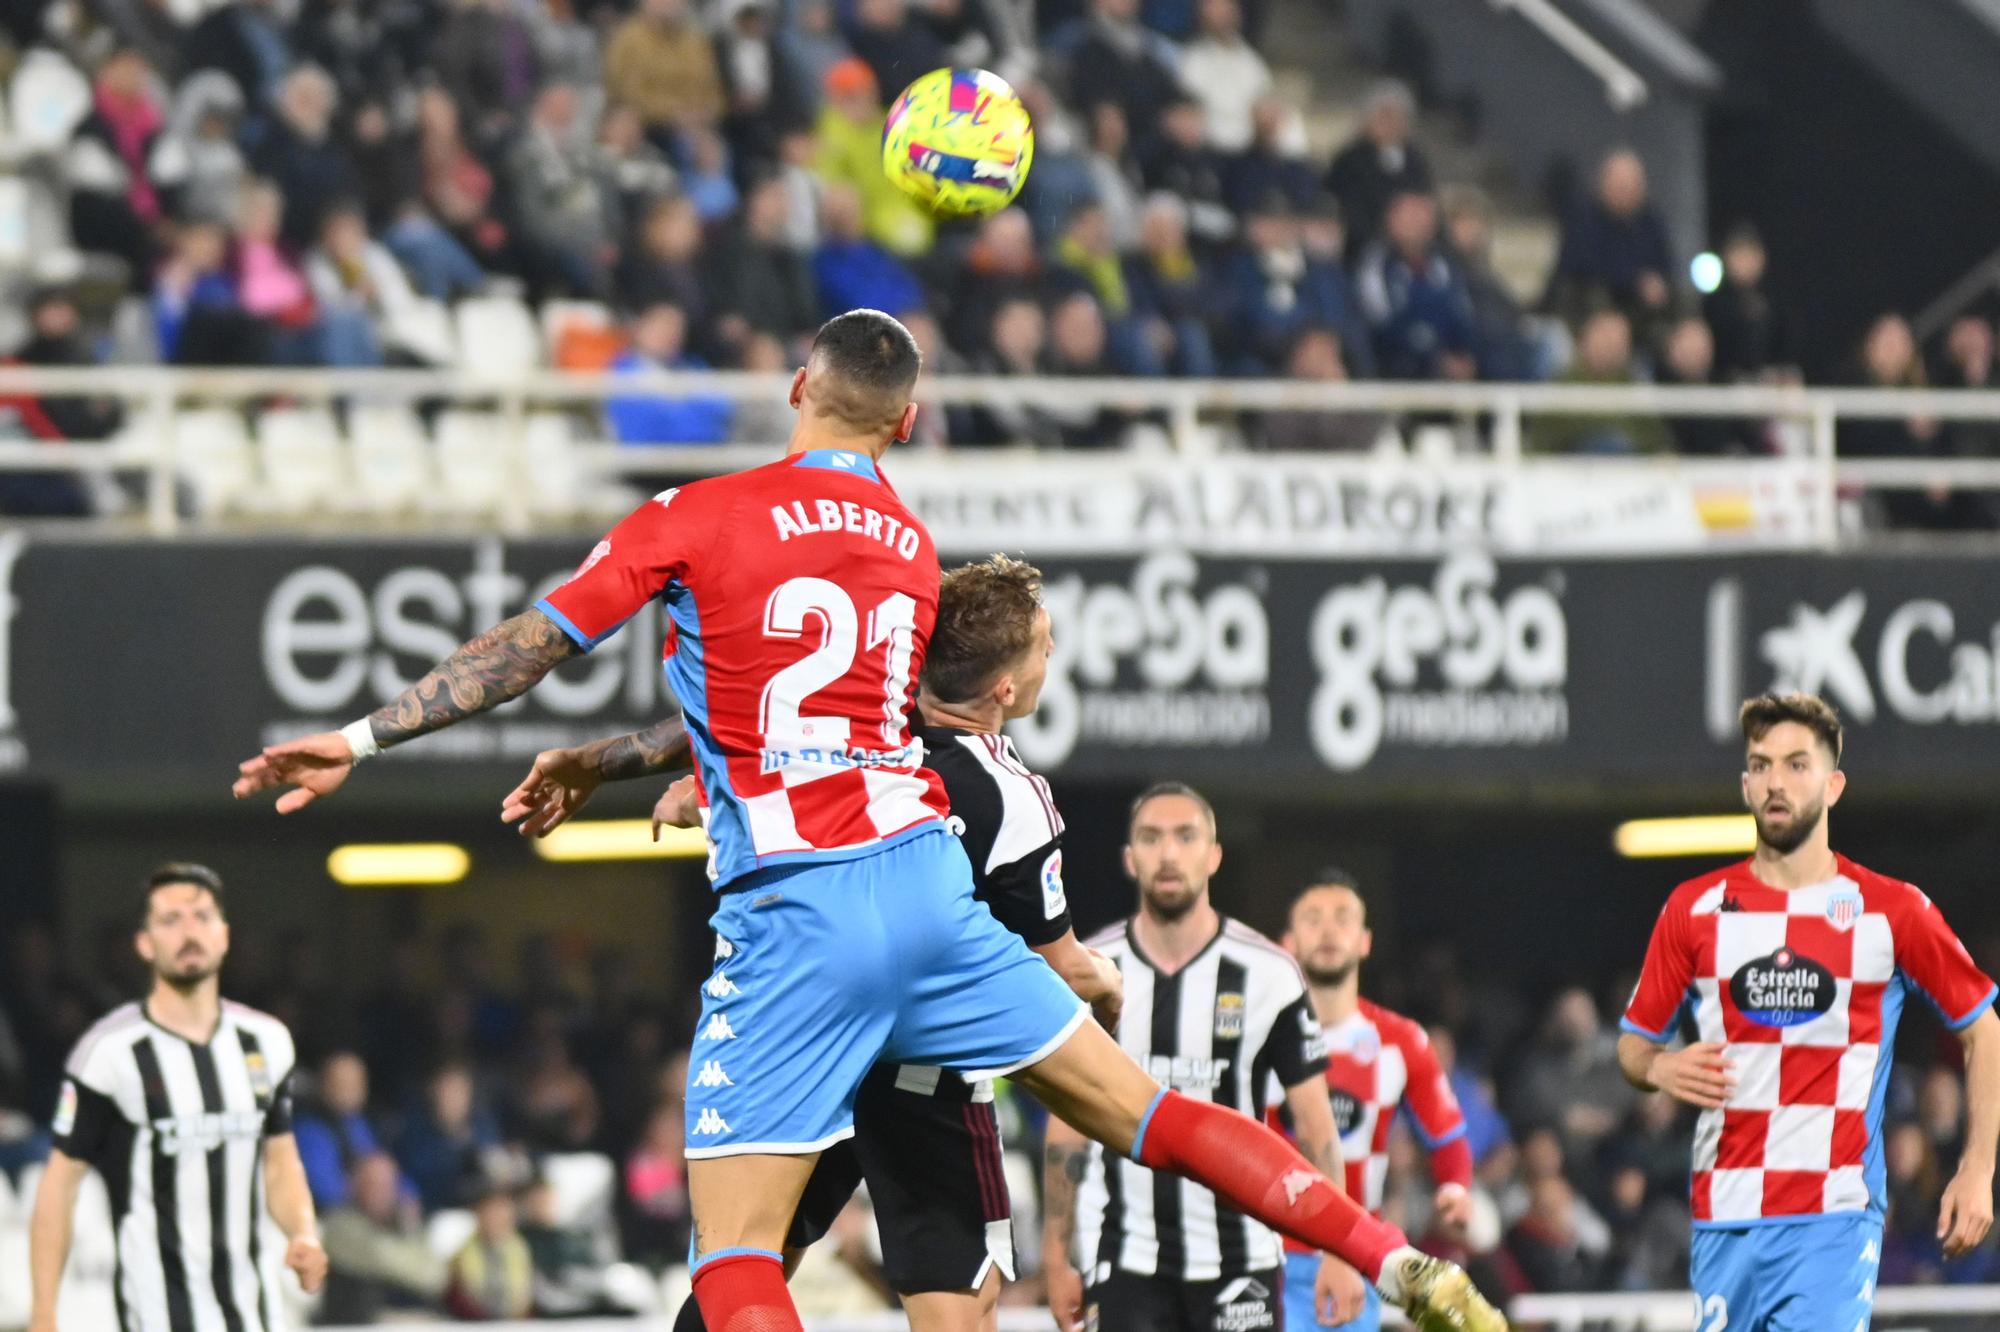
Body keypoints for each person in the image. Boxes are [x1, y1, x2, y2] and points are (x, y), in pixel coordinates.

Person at [233, 310, 1505, 1332]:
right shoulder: (904, 544)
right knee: (1150, 1115)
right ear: (906, 421)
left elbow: (528, 647)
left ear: (797, 385)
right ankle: (1395, 1263)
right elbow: (843, 713)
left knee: (733, 1262)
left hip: (796, 911)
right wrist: (618, 761)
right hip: (923, 885)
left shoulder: (694, 516)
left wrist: (357, 739)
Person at [507, 553, 1125, 1329]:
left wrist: (697, 788)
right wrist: (1106, 980)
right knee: (959, 1314)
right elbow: (1054, 968)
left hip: (815, 1045)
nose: (1051, 657)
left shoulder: (846, 741)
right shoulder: (1013, 798)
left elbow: (745, 742)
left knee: (740, 1272)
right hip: (925, 1078)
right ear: (1005, 688)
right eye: (1044, 645)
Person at [1617, 692, 2000, 1332]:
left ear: (1834, 784)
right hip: (1724, 1216)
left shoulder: (1892, 910)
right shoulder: (1693, 910)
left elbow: (1983, 1028)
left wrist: (1977, 1166)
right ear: (1744, 784)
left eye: (1797, 765)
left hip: (1835, 1216)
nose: (1776, 781)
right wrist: (1658, 1068)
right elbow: (1633, 1046)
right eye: (1761, 765)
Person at [1043, 786, 1367, 1332]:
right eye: (1151, 838)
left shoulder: (1269, 974)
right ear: (1129, 858)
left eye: (1186, 836)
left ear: (1214, 855)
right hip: (1124, 1261)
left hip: (1241, 1261)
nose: (1169, 854)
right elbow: (1067, 1129)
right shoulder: (1091, 971)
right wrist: (1055, 1257)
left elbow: (1316, 1128)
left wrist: (1339, 1250)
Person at [27, 863, 329, 1332]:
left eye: (202, 917)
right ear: (145, 943)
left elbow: (280, 1161)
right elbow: (58, 1186)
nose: (190, 932)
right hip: (157, 1315)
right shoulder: (108, 1053)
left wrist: (303, 1233)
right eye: (171, 920)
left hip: (254, 1313)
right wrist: (44, 1312)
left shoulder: (266, 1041)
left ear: (224, 935)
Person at [1279, 874, 1475, 1331]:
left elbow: (1447, 1135)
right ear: (1287, 942)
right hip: (1265, 1255)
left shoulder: (1401, 1040)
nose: (1329, 931)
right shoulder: (1255, 1034)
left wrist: (1455, 1188)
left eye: (1343, 919)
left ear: (1365, 941)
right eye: (1313, 919)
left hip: (1354, 1252)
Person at [1323, 81, 1432, 262]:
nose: (1389, 124)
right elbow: (1347, 210)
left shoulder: (1415, 161)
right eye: (1383, 116)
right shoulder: (1349, 161)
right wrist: (1390, 227)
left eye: (1396, 117)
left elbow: (1424, 201)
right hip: (1364, 249)